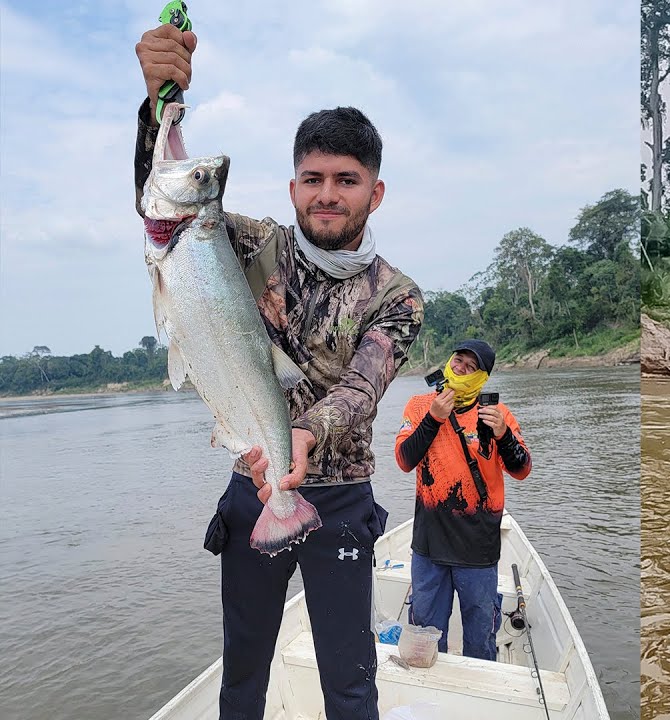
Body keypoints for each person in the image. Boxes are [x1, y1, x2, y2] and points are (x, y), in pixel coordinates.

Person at [134, 22, 424, 720]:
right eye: (314, 179)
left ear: (374, 193)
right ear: (293, 186)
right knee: (243, 674)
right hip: (250, 484)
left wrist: (305, 434)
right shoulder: (250, 244)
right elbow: (162, 204)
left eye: (346, 182)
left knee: (350, 683)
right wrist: (155, 111)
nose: (328, 195)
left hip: (342, 501)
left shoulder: (397, 295)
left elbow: (363, 387)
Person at [394, 340, 532, 661]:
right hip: (429, 547)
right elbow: (404, 459)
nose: (461, 369)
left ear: (482, 379)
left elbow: (522, 469)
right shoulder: (418, 406)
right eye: (458, 361)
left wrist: (503, 435)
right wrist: (433, 418)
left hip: (478, 550)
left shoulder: (498, 416)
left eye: (472, 368)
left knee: (480, 637)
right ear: (449, 360)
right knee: (425, 636)